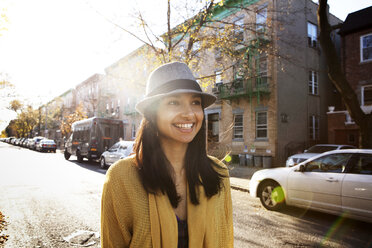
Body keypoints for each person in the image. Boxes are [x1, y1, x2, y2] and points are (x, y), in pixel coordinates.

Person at [101, 62, 233, 248]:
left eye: (195, 102)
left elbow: (226, 240)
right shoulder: (121, 177)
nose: (189, 114)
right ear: (153, 114)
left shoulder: (218, 172)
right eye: (173, 102)